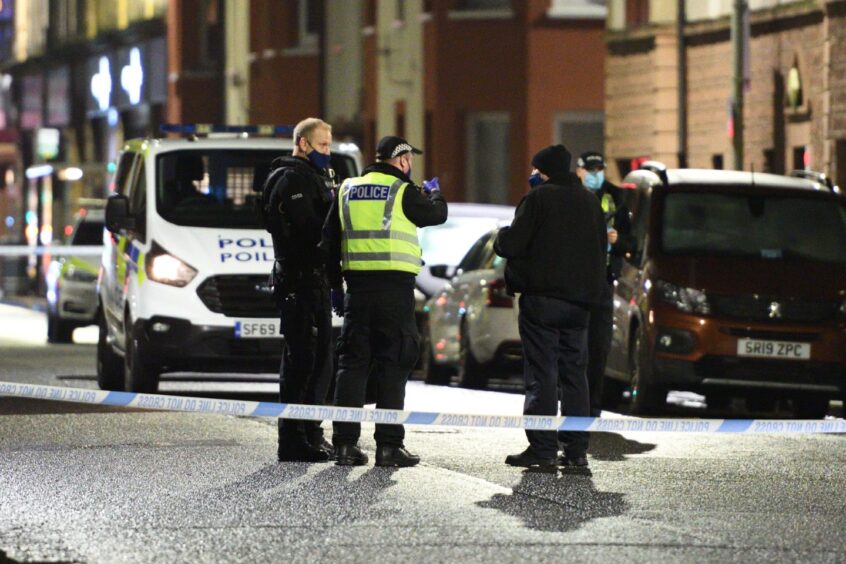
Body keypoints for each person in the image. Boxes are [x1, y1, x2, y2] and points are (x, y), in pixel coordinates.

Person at [321, 135, 447, 467]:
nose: (411, 165)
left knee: (352, 365)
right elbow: (436, 215)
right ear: (402, 160)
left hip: (358, 292)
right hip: (395, 292)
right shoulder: (402, 191)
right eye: (410, 159)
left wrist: (336, 287)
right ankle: (389, 447)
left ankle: (345, 446)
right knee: (394, 364)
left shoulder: (346, 189)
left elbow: (328, 242)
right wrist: (434, 192)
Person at [494, 144, 607, 469]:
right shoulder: (590, 201)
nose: (531, 175)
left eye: (535, 170)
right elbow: (601, 250)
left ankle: (542, 449)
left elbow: (513, 243)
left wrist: (501, 237)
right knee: (575, 376)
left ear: (544, 172)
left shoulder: (538, 199)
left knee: (542, 373)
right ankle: (575, 452)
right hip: (580, 305)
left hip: (542, 301)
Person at [261, 117, 337, 463]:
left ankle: (311, 433)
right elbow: (312, 229)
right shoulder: (290, 178)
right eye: (322, 145)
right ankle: (293, 439)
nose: (328, 151)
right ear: (303, 143)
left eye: (329, 145)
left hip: (314, 280)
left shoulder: (314, 177)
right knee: (301, 361)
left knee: (320, 360)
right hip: (298, 280)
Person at [575, 151, 634, 417]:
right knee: (575, 346)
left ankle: (592, 406)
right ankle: (573, 403)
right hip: (573, 283)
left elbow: (632, 243)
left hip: (603, 281)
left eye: (600, 169)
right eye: (591, 169)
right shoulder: (569, 196)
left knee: (598, 346)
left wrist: (617, 240)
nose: (596, 174)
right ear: (579, 171)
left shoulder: (616, 198)